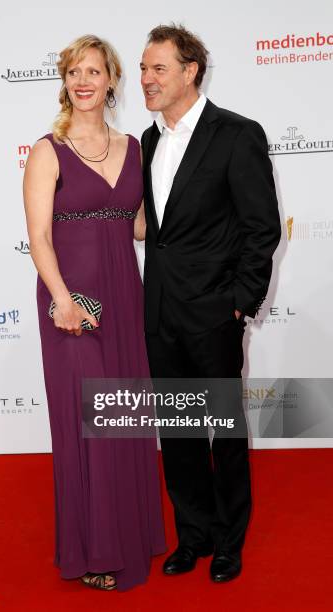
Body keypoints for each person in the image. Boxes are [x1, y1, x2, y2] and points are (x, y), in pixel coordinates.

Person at [23, 34, 166, 592]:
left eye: (94, 71)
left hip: (123, 294)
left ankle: (130, 536)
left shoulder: (133, 146)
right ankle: (95, 551)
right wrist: (60, 298)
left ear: (111, 80)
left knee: (123, 420)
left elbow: (132, 224)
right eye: (73, 72)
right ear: (65, 82)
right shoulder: (46, 149)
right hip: (72, 301)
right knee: (90, 427)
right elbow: (38, 236)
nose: (83, 80)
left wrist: (205, 225)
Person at [140, 24, 281, 582]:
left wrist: (240, 303)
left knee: (223, 431)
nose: (147, 80)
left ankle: (228, 540)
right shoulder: (148, 140)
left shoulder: (236, 134)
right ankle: (192, 535)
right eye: (145, 69)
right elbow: (160, 230)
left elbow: (261, 228)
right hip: (161, 313)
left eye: (158, 69)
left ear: (189, 71)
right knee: (177, 433)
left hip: (214, 314)